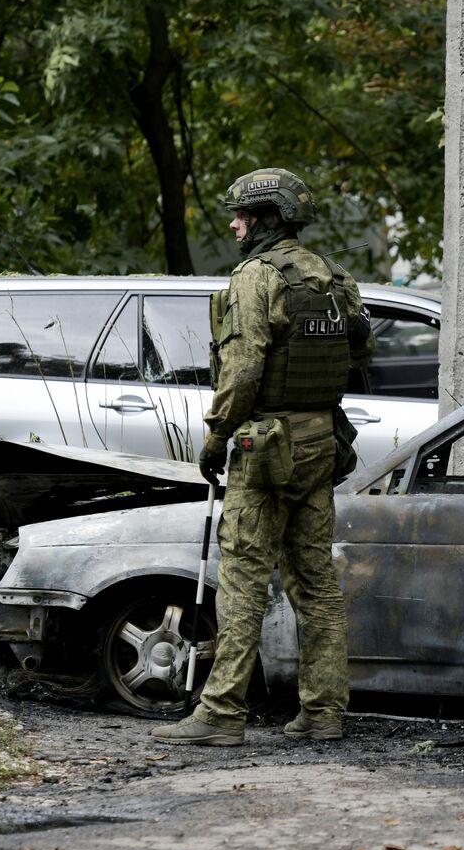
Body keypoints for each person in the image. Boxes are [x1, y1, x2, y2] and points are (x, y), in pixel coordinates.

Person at [152, 168, 373, 746]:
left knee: (244, 580)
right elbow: (359, 350)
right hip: (321, 442)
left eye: (242, 217)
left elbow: (245, 365)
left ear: (269, 218)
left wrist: (215, 434)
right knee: (316, 582)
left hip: (265, 448)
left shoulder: (255, 277)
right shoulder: (333, 276)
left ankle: (221, 714)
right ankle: (323, 713)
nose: (234, 225)